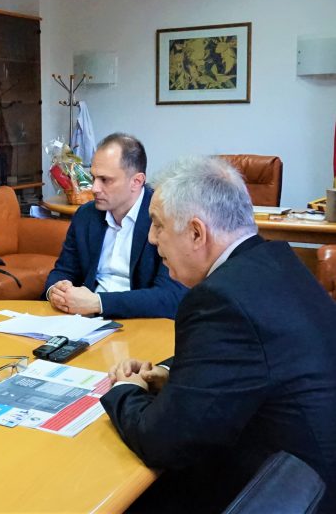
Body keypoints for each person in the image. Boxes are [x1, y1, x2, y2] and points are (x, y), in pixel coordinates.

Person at [101, 156, 336, 511]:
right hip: (306, 472)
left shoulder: (220, 299)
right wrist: (169, 374)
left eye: (158, 225)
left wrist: (124, 390)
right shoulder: (277, 261)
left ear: (196, 233)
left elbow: (163, 442)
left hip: (284, 494)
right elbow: (253, 360)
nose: (150, 238)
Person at [44, 133, 186, 319]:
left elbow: (169, 297)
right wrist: (56, 291)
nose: (94, 188)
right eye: (93, 177)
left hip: (140, 321)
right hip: (85, 321)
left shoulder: (165, 218)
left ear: (136, 181)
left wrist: (98, 303)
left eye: (105, 180)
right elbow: (63, 270)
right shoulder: (85, 216)